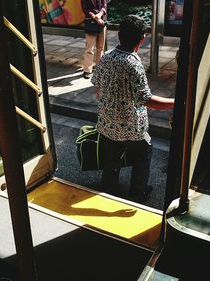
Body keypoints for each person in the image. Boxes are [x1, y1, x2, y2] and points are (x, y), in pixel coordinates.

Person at [91, 15, 175, 200]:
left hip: (107, 124)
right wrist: (176, 102)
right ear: (142, 38)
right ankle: (138, 191)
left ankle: (108, 188)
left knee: (111, 159)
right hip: (131, 128)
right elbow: (147, 100)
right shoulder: (134, 64)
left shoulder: (106, 56)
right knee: (144, 152)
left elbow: (97, 89)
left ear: (119, 35)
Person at [81, 0, 108, 79]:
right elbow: (85, 9)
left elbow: (105, 5)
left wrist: (100, 14)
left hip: (102, 22)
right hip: (91, 22)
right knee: (90, 48)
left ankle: (99, 68)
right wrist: (95, 17)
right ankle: (87, 70)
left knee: (100, 48)